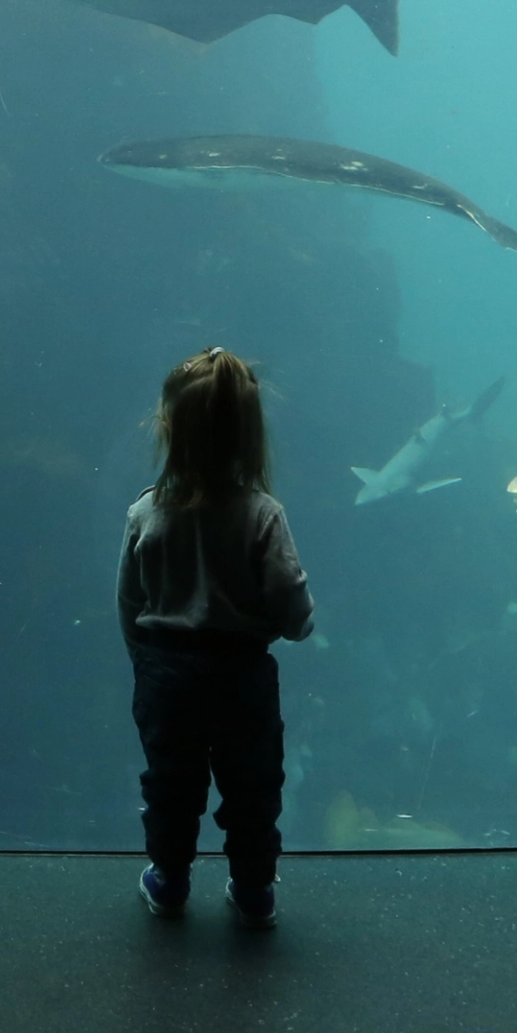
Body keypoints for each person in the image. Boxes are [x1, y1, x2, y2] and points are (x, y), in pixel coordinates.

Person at [118, 348, 314, 928]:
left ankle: (170, 880)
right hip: (241, 674)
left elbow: (130, 602)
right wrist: (291, 625)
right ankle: (254, 891)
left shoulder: (145, 514)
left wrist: (145, 660)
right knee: (253, 788)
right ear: (251, 436)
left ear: (168, 429)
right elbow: (292, 602)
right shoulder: (262, 515)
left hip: (166, 674)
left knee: (170, 786)